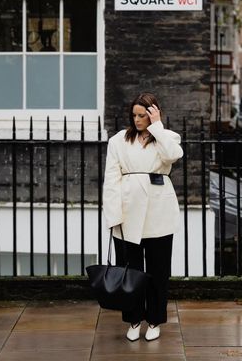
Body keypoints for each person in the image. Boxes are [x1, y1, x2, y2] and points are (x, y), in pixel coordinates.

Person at [103, 92, 183, 342]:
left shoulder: (167, 137)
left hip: (159, 212)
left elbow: (173, 156)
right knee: (131, 272)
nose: (137, 120)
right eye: (134, 115)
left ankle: (155, 320)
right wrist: (113, 214)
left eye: (142, 115)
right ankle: (134, 319)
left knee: (159, 272)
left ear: (152, 113)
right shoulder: (118, 141)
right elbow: (111, 179)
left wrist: (157, 126)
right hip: (127, 214)